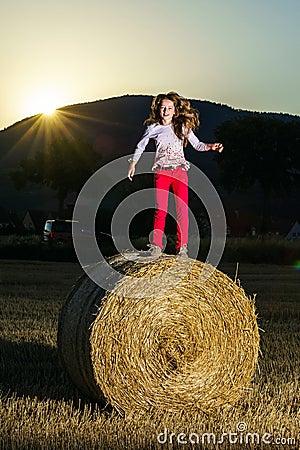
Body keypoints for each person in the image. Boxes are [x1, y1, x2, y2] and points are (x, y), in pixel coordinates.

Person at [128, 92, 223, 258]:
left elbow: (198, 145)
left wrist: (211, 146)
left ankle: (182, 248)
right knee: (161, 210)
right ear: (158, 109)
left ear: (175, 110)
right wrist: (133, 164)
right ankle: (156, 246)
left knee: (181, 210)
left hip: (179, 171)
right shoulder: (153, 128)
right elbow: (140, 146)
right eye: (163, 107)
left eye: (169, 108)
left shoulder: (182, 127)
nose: (166, 111)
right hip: (161, 172)